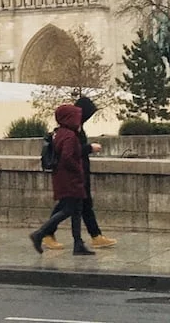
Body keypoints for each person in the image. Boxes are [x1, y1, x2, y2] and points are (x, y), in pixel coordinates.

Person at [40, 95, 117, 250]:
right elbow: (70, 154)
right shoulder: (72, 131)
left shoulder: (74, 129)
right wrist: (90, 148)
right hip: (75, 175)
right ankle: (46, 234)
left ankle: (91, 237)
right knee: (67, 206)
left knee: (83, 204)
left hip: (79, 173)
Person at [30, 103, 95, 256]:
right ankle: (40, 233)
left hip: (64, 178)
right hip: (70, 179)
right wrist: (78, 170)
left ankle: (78, 244)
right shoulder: (70, 136)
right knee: (68, 209)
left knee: (77, 210)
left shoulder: (60, 133)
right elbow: (67, 157)